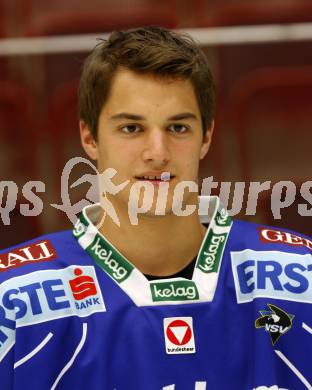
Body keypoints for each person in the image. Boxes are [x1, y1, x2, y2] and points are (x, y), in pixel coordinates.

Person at [0, 26, 311, 390]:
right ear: (90, 137)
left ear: (206, 136)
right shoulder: (12, 300)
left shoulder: (301, 279)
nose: (157, 153)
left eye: (178, 127)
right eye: (132, 128)